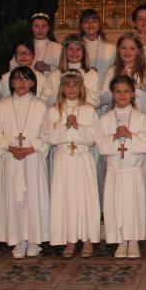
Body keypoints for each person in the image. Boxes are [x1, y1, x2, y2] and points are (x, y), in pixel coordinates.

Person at [0, 66, 50, 259]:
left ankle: (34, 240)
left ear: (32, 83)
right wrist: (10, 147)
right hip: (11, 159)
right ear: (11, 82)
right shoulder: (3, 105)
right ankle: (18, 240)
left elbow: (47, 133)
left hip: (33, 159)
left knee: (33, 199)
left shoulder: (40, 106)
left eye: (26, 79)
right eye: (17, 79)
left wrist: (31, 148)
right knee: (14, 200)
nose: (21, 83)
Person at [100, 32, 146, 214]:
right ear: (118, 50)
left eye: (132, 48)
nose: (127, 52)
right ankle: (118, 206)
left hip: (140, 123)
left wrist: (136, 90)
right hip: (117, 121)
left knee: (142, 167)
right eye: (124, 48)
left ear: (139, 51)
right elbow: (102, 98)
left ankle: (142, 206)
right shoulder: (112, 71)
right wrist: (117, 90)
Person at [42, 70, 101, 258]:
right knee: (65, 199)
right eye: (67, 85)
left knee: (84, 198)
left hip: (82, 160)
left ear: (81, 87)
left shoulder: (88, 110)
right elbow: (47, 137)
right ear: (62, 88)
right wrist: (64, 126)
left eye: (75, 84)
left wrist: (78, 127)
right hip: (63, 161)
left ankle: (87, 239)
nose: (71, 88)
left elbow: (93, 138)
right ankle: (69, 240)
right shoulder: (53, 111)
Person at [96, 75, 146, 259]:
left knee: (133, 206)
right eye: (118, 91)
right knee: (116, 206)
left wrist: (129, 135)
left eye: (126, 91)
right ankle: (120, 241)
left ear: (133, 93)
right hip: (114, 171)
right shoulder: (105, 119)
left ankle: (133, 240)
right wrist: (113, 137)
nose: (122, 95)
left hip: (132, 171)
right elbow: (101, 146)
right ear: (112, 93)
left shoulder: (140, 117)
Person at [41, 35, 100, 107]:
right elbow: (44, 100)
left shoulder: (92, 74)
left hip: (85, 115)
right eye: (70, 49)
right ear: (65, 51)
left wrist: (81, 88)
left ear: (83, 52)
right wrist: (62, 91)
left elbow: (97, 102)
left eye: (78, 49)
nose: (74, 52)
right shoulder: (55, 75)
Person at [78, 8, 115, 80]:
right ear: (81, 25)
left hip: (104, 87)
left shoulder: (111, 48)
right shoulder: (75, 47)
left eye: (94, 21)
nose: (90, 24)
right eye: (86, 21)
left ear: (99, 24)